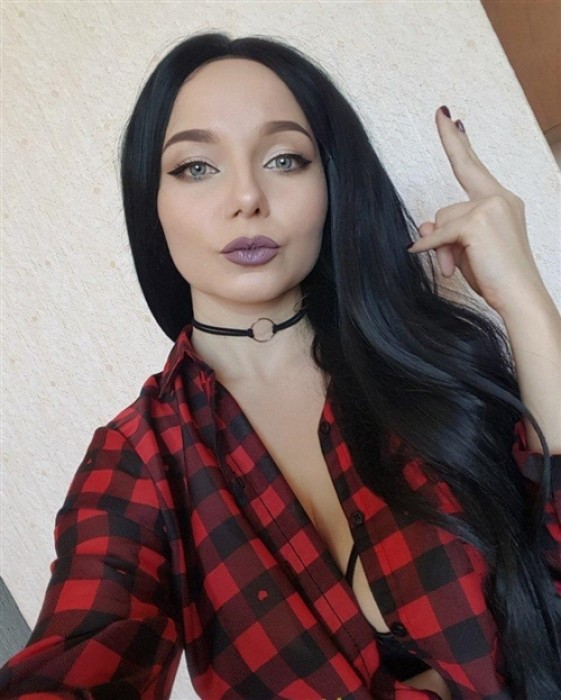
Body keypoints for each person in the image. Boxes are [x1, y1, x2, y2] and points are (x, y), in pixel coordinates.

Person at [1, 31, 560, 700]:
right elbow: (76, 664)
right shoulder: (140, 462)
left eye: (285, 159)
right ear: (150, 202)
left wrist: (524, 298)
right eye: (196, 167)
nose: (247, 197)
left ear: (332, 183)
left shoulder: (430, 364)